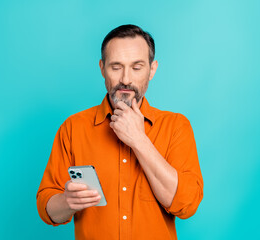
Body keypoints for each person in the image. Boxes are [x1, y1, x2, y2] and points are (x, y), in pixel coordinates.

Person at [36, 24, 203, 240]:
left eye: (136, 67)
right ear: (102, 68)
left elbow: (187, 205)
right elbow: (46, 208)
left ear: (152, 70)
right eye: (116, 67)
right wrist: (67, 202)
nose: (125, 79)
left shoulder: (176, 126)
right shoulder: (73, 128)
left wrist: (139, 140)